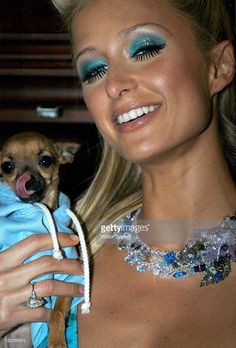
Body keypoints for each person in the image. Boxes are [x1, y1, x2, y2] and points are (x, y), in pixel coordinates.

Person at [1, 0, 236, 347]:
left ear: (218, 66)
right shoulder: (61, 253)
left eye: (144, 49)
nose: (113, 85)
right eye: (94, 71)